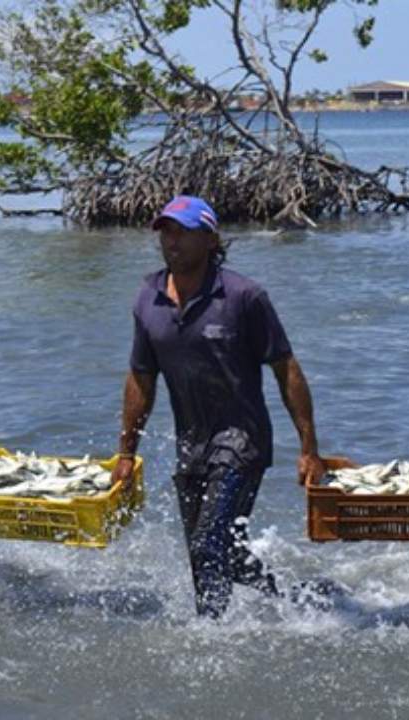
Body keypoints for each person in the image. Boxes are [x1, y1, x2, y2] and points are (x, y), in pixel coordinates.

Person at [112, 195, 325, 618]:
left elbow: (286, 370)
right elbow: (140, 378)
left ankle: (211, 634)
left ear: (211, 240)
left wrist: (309, 448)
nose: (172, 241)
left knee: (209, 544)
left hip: (243, 442)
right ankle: (290, 603)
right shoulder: (148, 298)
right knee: (211, 552)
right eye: (166, 232)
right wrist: (125, 453)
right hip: (191, 445)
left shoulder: (244, 297)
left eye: (184, 232)